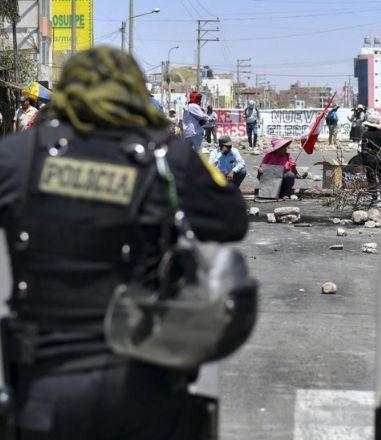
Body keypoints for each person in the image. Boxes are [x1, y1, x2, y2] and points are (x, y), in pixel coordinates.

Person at [0, 47, 249, 440]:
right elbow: (232, 221)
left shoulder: (19, 156)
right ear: (134, 92)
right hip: (142, 381)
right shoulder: (167, 157)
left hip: (44, 385)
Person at [361, 113, 381, 208]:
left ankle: (374, 199)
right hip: (380, 158)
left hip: (369, 159)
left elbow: (363, 150)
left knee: (371, 179)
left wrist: (363, 163)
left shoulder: (365, 134)